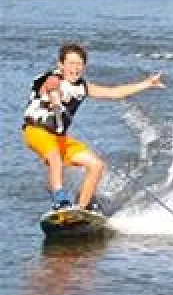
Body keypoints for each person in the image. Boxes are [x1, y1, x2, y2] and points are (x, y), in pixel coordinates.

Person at [22, 43, 165, 211]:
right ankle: (60, 200)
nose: (75, 68)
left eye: (79, 64)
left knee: (96, 165)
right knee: (55, 158)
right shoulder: (51, 78)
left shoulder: (83, 87)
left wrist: (147, 84)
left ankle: (80, 209)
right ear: (61, 65)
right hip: (36, 131)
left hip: (59, 138)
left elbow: (115, 93)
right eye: (70, 63)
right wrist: (55, 97)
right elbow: (51, 86)